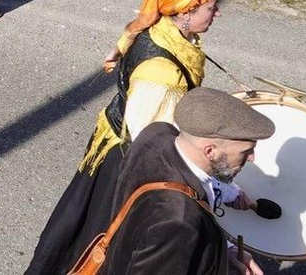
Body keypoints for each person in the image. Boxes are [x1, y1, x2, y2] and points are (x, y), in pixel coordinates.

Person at [25, 0, 234, 275]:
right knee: (108, 242)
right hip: (127, 164)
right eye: (210, 7)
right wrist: (215, 189)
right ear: (185, 12)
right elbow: (153, 144)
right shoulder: (161, 73)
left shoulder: (164, 30)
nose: (217, 13)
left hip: (120, 142)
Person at [100, 88, 273, 275]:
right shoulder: (179, 221)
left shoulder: (157, 134)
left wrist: (225, 251)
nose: (252, 158)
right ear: (210, 152)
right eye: (246, 151)